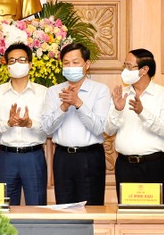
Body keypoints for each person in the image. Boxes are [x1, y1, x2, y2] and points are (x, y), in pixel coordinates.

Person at [42, 42, 110, 206]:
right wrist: (63, 107)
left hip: (90, 157)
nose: (70, 66)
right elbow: (47, 129)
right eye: (66, 63)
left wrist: (78, 103)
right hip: (63, 158)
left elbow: (100, 128)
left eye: (75, 62)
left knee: (92, 210)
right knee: (65, 210)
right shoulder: (53, 92)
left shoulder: (100, 90)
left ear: (87, 64)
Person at [104, 48, 164, 204]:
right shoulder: (120, 94)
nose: (125, 71)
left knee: (154, 218)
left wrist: (143, 112)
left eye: (129, 67)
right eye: (124, 66)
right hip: (124, 166)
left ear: (144, 69)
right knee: (126, 217)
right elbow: (108, 130)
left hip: (153, 165)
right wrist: (117, 109)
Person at [0, 43, 48, 205]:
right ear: (7, 65)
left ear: (30, 64)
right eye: (12, 60)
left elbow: (50, 128)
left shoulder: (44, 93)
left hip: (33, 157)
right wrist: (7, 123)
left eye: (22, 60)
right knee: (5, 209)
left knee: (37, 207)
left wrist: (30, 123)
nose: (17, 64)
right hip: (6, 157)